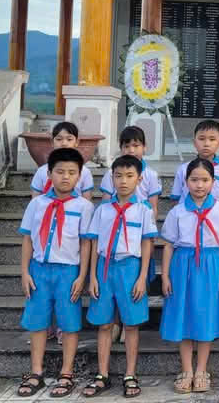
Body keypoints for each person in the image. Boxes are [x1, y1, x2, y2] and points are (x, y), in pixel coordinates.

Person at [14, 148, 95, 398]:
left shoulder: (84, 207)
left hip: (68, 272)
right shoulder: (37, 204)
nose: (65, 177)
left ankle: (66, 373)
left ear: (80, 176)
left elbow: (86, 244)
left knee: (70, 324)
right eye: (60, 172)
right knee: (38, 323)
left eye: (72, 173)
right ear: (49, 174)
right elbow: (27, 239)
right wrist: (25, 272)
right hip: (39, 271)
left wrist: (82, 276)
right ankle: (36, 372)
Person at [160, 158, 219, 394]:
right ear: (186, 182)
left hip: (211, 266)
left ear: (213, 182)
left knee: (205, 317)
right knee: (184, 316)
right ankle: (186, 369)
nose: (199, 185)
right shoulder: (177, 212)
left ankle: (202, 369)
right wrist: (165, 276)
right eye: (194, 180)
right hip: (182, 266)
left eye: (205, 180)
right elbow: (167, 246)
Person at [82, 155, 159, 398]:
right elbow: (94, 244)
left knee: (131, 324)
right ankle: (102, 374)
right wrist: (92, 276)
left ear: (139, 179)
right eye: (118, 176)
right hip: (105, 269)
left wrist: (142, 277)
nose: (123, 181)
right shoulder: (102, 210)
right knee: (104, 324)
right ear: (111, 178)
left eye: (129, 176)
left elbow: (148, 244)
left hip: (130, 268)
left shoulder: (143, 210)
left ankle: (130, 374)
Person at [100, 125, 162, 340]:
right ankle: (115, 321)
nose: (131, 149)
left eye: (136, 145)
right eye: (127, 145)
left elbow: (154, 205)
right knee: (114, 285)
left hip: (140, 231)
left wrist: (148, 228)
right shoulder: (112, 173)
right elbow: (107, 202)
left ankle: (130, 324)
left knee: (137, 279)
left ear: (144, 147)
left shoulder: (150, 174)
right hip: (115, 233)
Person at [170, 120, 219, 214]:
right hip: (188, 217)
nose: (206, 144)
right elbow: (176, 198)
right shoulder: (183, 169)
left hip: (216, 218)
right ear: (194, 142)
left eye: (212, 139)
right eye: (201, 138)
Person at [29, 121, 95, 200]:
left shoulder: (85, 172)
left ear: (77, 142)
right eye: (59, 139)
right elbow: (35, 200)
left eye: (69, 139)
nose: (64, 143)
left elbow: (87, 201)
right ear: (52, 142)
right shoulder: (41, 171)